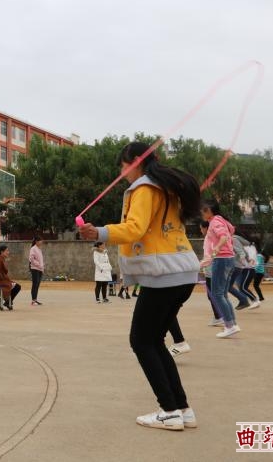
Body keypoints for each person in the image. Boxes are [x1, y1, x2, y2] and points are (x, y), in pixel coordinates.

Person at [79, 141, 201, 431]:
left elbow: (135, 228)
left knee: (141, 341)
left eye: (123, 166)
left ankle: (169, 410)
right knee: (154, 341)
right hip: (182, 273)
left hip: (163, 274)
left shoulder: (145, 188)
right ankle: (182, 409)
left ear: (135, 161)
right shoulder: (168, 188)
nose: (122, 173)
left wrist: (99, 232)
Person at [199, 200, 240, 338]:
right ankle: (232, 324)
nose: (202, 213)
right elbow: (229, 233)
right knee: (222, 294)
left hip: (222, 259)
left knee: (217, 294)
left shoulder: (215, 221)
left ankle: (229, 325)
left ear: (210, 211)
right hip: (228, 259)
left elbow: (224, 236)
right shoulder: (221, 220)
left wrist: (217, 248)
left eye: (203, 210)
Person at [199, 221, 223, 327]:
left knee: (212, 295)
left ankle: (219, 317)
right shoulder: (213, 237)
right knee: (215, 295)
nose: (201, 231)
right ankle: (219, 316)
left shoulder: (209, 238)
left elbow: (210, 255)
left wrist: (199, 265)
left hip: (211, 271)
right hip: (214, 269)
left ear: (205, 228)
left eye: (201, 228)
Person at [230, 233, 260, 310]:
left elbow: (251, 259)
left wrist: (248, 263)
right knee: (241, 287)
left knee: (243, 287)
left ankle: (255, 300)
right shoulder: (245, 246)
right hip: (244, 269)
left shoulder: (251, 247)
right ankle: (245, 301)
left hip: (249, 269)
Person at [0, 245, 22, 310]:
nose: (8, 252)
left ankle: (8, 301)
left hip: (3, 280)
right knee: (16, 286)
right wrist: (3, 279)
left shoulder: (1, 258)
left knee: (17, 286)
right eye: (7, 251)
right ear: (2, 252)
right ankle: (8, 301)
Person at [28, 236, 45, 306]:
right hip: (35, 269)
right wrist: (38, 265)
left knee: (37, 285)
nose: (41, 242)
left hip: (39, 269)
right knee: (35, 284)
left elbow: (41, 260)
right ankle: (33, 300)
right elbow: (31, 259)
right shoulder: (33, 249)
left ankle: (35, 299)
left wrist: (42, 268)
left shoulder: (39, 249)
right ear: (36, 241)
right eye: (40, 241)